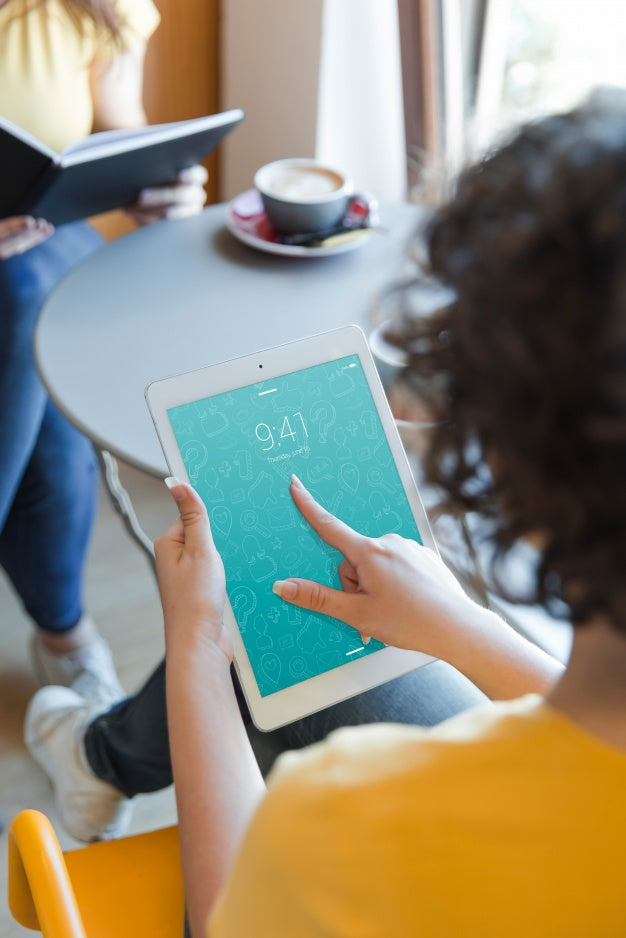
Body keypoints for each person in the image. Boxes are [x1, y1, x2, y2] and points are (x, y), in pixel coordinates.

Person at [27, 88, 626, 935]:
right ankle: (103, 758)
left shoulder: (345, 820)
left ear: (497, 453)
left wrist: (198, 640)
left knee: (269, 621)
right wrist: (458, 625)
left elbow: (224, 917)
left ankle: (101, 757)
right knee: (316, 610)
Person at [0, 0, 208, 704]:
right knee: (35, 298)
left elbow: (117, 126)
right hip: (33, 274)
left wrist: (157, 183)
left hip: (34, 252)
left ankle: (64, 631)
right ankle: (65, 632)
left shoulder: (93, 6)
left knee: (34, 292)